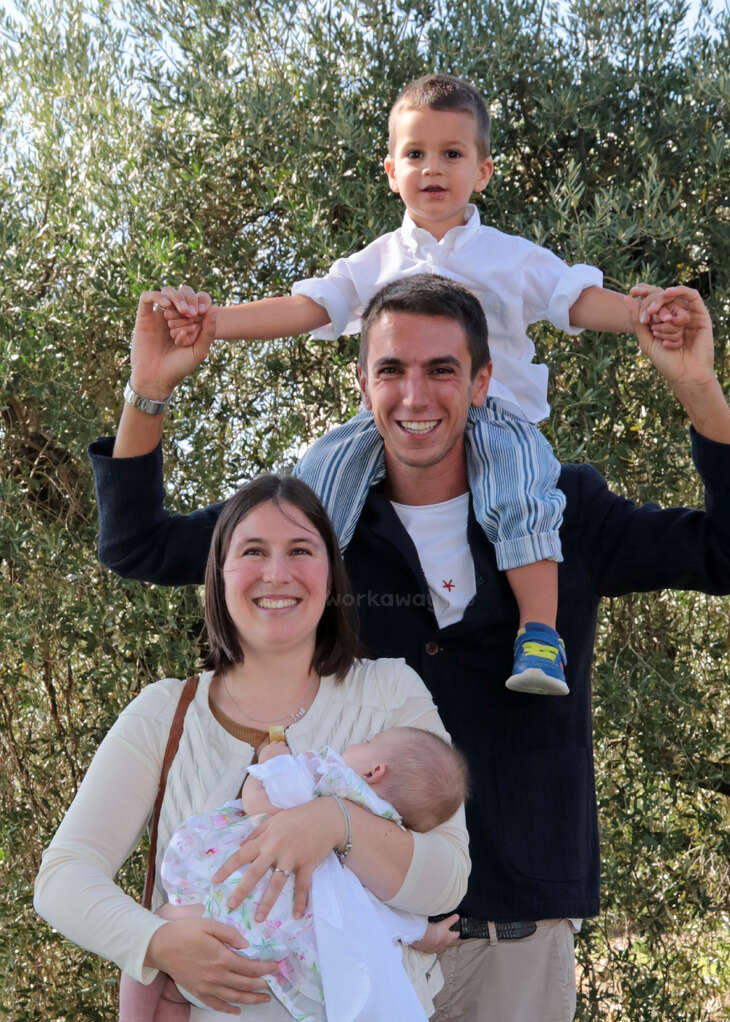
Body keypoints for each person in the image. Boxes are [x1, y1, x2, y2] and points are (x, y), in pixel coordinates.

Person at [87, 276, 730, 1022]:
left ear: (483, 380)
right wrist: (149, 390)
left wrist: (696, 386)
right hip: (346, 949)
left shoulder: (563, 509)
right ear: (362, 383)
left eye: (442, 370)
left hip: (513, 933)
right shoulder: (319, 527)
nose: (414, 395)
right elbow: (137, 545)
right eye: (391, 370)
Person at [159, 73, 686, 698]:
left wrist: (639, 316)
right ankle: (298, 636)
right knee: (315, 483)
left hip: (496, 418)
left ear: (483, 172)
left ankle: (540, 633)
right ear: (391, 171)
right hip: (394, 424)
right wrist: (215, 323)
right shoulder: (375, 261)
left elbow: (574, 300)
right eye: (415, 153)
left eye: (451, 154)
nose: (432, 168)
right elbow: (308, 309)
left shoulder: (510, 256)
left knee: (523, 498)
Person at [35, 470, 471, 1022]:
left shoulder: (390, 694)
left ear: (331, 575)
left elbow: (446, 876)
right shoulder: (164, 712)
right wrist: (160, 944)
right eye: (253, 551)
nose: (277, 573)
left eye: (301, 551)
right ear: (218, 575)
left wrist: (334, 823)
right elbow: (63, 876)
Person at [90, 727, 467, 1022]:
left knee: (157, 930)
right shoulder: (383, 839)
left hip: (241, 912)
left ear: (374, 770)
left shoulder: (329, 782)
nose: (356, 743)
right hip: (274, 959)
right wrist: (429, 936)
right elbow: (384, 916)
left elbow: (262, 801)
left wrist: (271, 757)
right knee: (176, 994)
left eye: (367, 743)